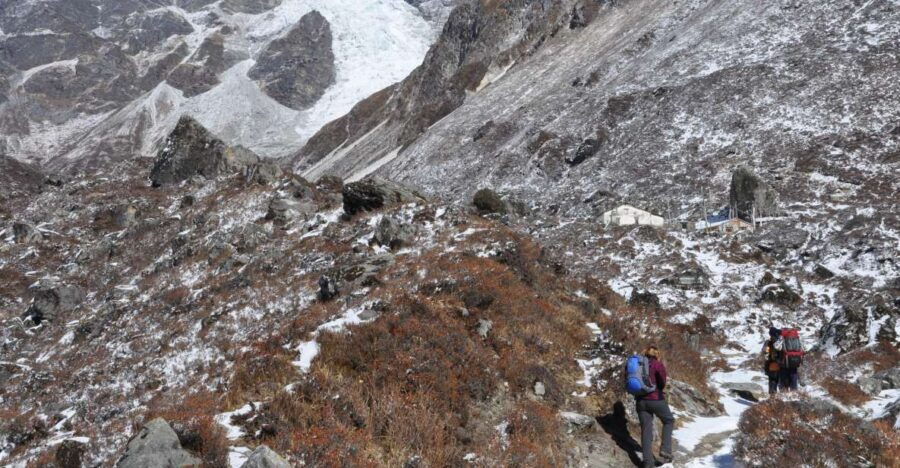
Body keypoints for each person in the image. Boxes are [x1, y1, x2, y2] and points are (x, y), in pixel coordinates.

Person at [635, 345, 675, 467]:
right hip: (655, 399)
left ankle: (648, 463)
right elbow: (662, 382)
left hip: (640, 401)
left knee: (646, 431)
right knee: (669, 420)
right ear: (657, 354)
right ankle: (665, 449)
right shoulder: (657, 364)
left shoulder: (637, 363)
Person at [762, 327, 782, 395]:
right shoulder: (781, 342)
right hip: (782, 365)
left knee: (772, 381)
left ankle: (772, 397)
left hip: (772, 365)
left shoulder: (768, 342)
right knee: (781, 381)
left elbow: (766, 354)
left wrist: (766, 365)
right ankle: (784, 397)